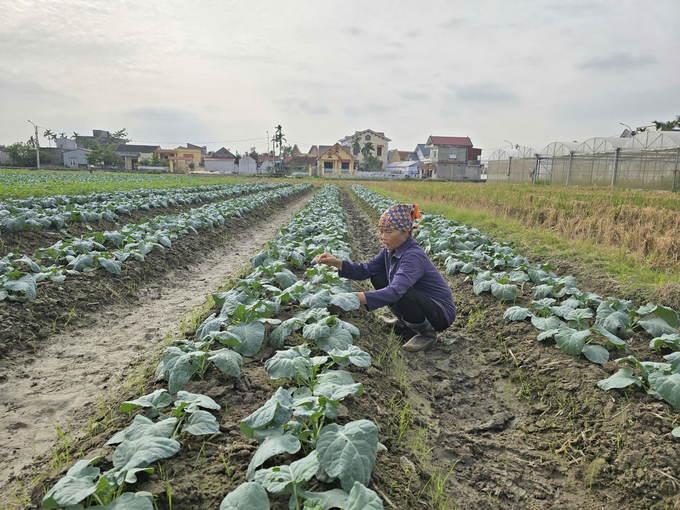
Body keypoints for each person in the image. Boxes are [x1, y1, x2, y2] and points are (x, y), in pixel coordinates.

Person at [316, 203, 456, 352]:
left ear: (406, 232)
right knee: (378, 277)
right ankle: (404, 323)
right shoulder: (389, 251)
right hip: (420, 301)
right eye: (381, 231)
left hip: (440, 313)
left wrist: (353, 298)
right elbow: (366, 270)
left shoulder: (413, 255)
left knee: (401, 293)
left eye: (388, 231)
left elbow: (395, 291)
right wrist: (336, 263)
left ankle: (427, 334)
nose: (383, 237)